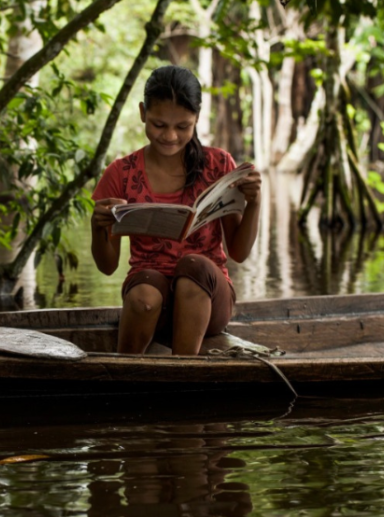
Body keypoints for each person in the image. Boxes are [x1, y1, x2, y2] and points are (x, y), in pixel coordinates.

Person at [91, 65, 261, 356]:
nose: (169, 136)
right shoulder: (121, 173)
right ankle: (124, 370)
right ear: (143, 112)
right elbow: (107, 267)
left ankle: (184, 370)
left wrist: (254, 202)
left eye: (182, 126)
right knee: (145, 292)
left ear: (196, 117)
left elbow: (239, 252)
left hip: (208, 299)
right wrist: (97, 227)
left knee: (194, 266)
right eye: (159, 124)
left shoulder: (219, 165)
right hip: (150, 297)